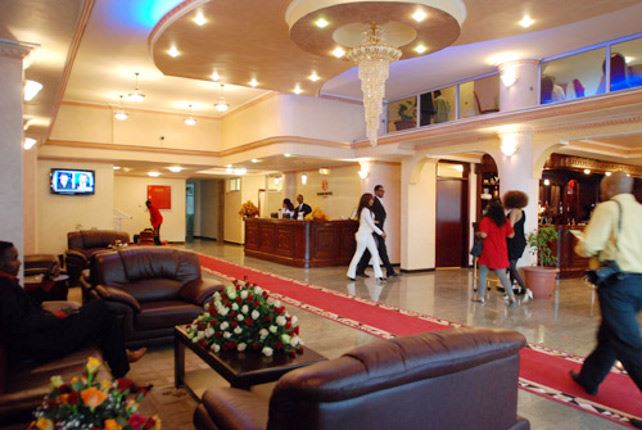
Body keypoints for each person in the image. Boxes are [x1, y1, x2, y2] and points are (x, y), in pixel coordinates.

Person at [0, 241, 145, 378]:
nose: (19, 263)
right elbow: (21, 325)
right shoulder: (4, 289)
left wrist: (47, 282)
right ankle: (121, 368)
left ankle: (121, 358)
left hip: (44, 335)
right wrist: (57, 316)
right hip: (45, 344)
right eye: (14, 259)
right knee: (100, 309)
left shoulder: (7, 283)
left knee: (97, 314)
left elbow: (28, 307)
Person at [569, 172, 642, 405]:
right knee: (610, 334)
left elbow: (589, 246)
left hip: (618, 285)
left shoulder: (608, 208)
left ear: (609, 188)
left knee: (629, 342)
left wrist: (581, 243)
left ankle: (589, 378)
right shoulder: (639, 210)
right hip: (639, 283)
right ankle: (589, 378)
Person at [473, 200, 517, 305]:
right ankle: (512, 296)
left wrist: (478, 233)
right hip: (501, 251)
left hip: (488, 251)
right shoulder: (505, 221)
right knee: (502, 275)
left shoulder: (486, 220)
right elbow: (511, 235)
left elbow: (484, 235)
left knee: (483, 273)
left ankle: (481, 297)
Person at [356, 185, 398, 278]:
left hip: (376, 230)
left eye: (383, 191)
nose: (382, 192)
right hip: (375, 230)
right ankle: (390, 271)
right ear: (376, 191)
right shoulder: (374, 201)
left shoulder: (378, 201)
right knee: (382, 250)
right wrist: (379, 230)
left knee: (369, 252)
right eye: (380, 190)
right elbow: (370, 215)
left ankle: (360, 270)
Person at [347, 193, 385, 282]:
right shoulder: (365, 211)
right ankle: (351, 273)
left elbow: (368, 221)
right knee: (358, 254)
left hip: (368, 235)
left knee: (375, 253)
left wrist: (374, 221)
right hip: (363, 236)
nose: (372, 201)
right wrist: (381, 233)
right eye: (371, 199)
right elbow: (370, 224)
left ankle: (379, 275)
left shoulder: (367, 210)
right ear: (366, 200)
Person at [503, 191, 533, 299]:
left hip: (514, 241)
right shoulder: (522, 212)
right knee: (512, 266)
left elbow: (510, 227)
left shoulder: (514, 211)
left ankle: (526, 289)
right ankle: (510, 291)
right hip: (519, 240)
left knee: (511, 266)